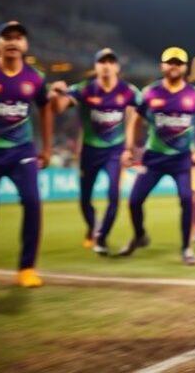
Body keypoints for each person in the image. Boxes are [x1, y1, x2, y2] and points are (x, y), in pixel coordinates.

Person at [0, 21, 52, 287]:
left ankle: (26, 268)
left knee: (32, 201)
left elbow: (46, 108)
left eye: (19, 38)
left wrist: (47, 147)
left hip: (22, 153)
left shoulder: (36, 77)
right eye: (7, 37)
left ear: (26, 45)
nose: (13, 42)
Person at [118, 47, 195, 265]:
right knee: (134, 201)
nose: (174, 66)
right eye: (170, 62)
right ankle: (140, 236)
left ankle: (187, 248)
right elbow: (135, 121)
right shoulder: (150, 93)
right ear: (162, 66)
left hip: (181, 159)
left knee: (188, 200)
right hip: (154, 158)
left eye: (178, 63)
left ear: (185, 67)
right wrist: (129, 148)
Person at [50, 48, 140, 255]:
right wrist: (56, 94)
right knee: (84, 199)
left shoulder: (128, 90)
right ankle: (94, 227)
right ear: (96, 66)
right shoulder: (85, 89)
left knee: (114, 197)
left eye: (111, 61)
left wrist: (129, 145)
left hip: (114, 152)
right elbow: (58, 108)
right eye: (102, 62)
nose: (106, 65)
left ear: (117, 67)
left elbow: (146, 106)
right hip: (90, 151)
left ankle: (102, 237)